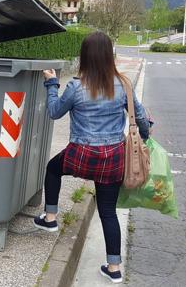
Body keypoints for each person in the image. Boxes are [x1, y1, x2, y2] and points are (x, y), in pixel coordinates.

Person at [33, 31, 150, 284]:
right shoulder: (123, 84)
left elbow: (54, 112)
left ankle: (50, 218)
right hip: (113, 158)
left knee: (53, 169)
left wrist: (52, 84)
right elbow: (139, 117)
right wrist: (146, 134)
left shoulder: (76, 86)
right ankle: (114, 267)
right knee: (108, 211)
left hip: (81, 155)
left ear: (84, 56)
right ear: (110, 56)